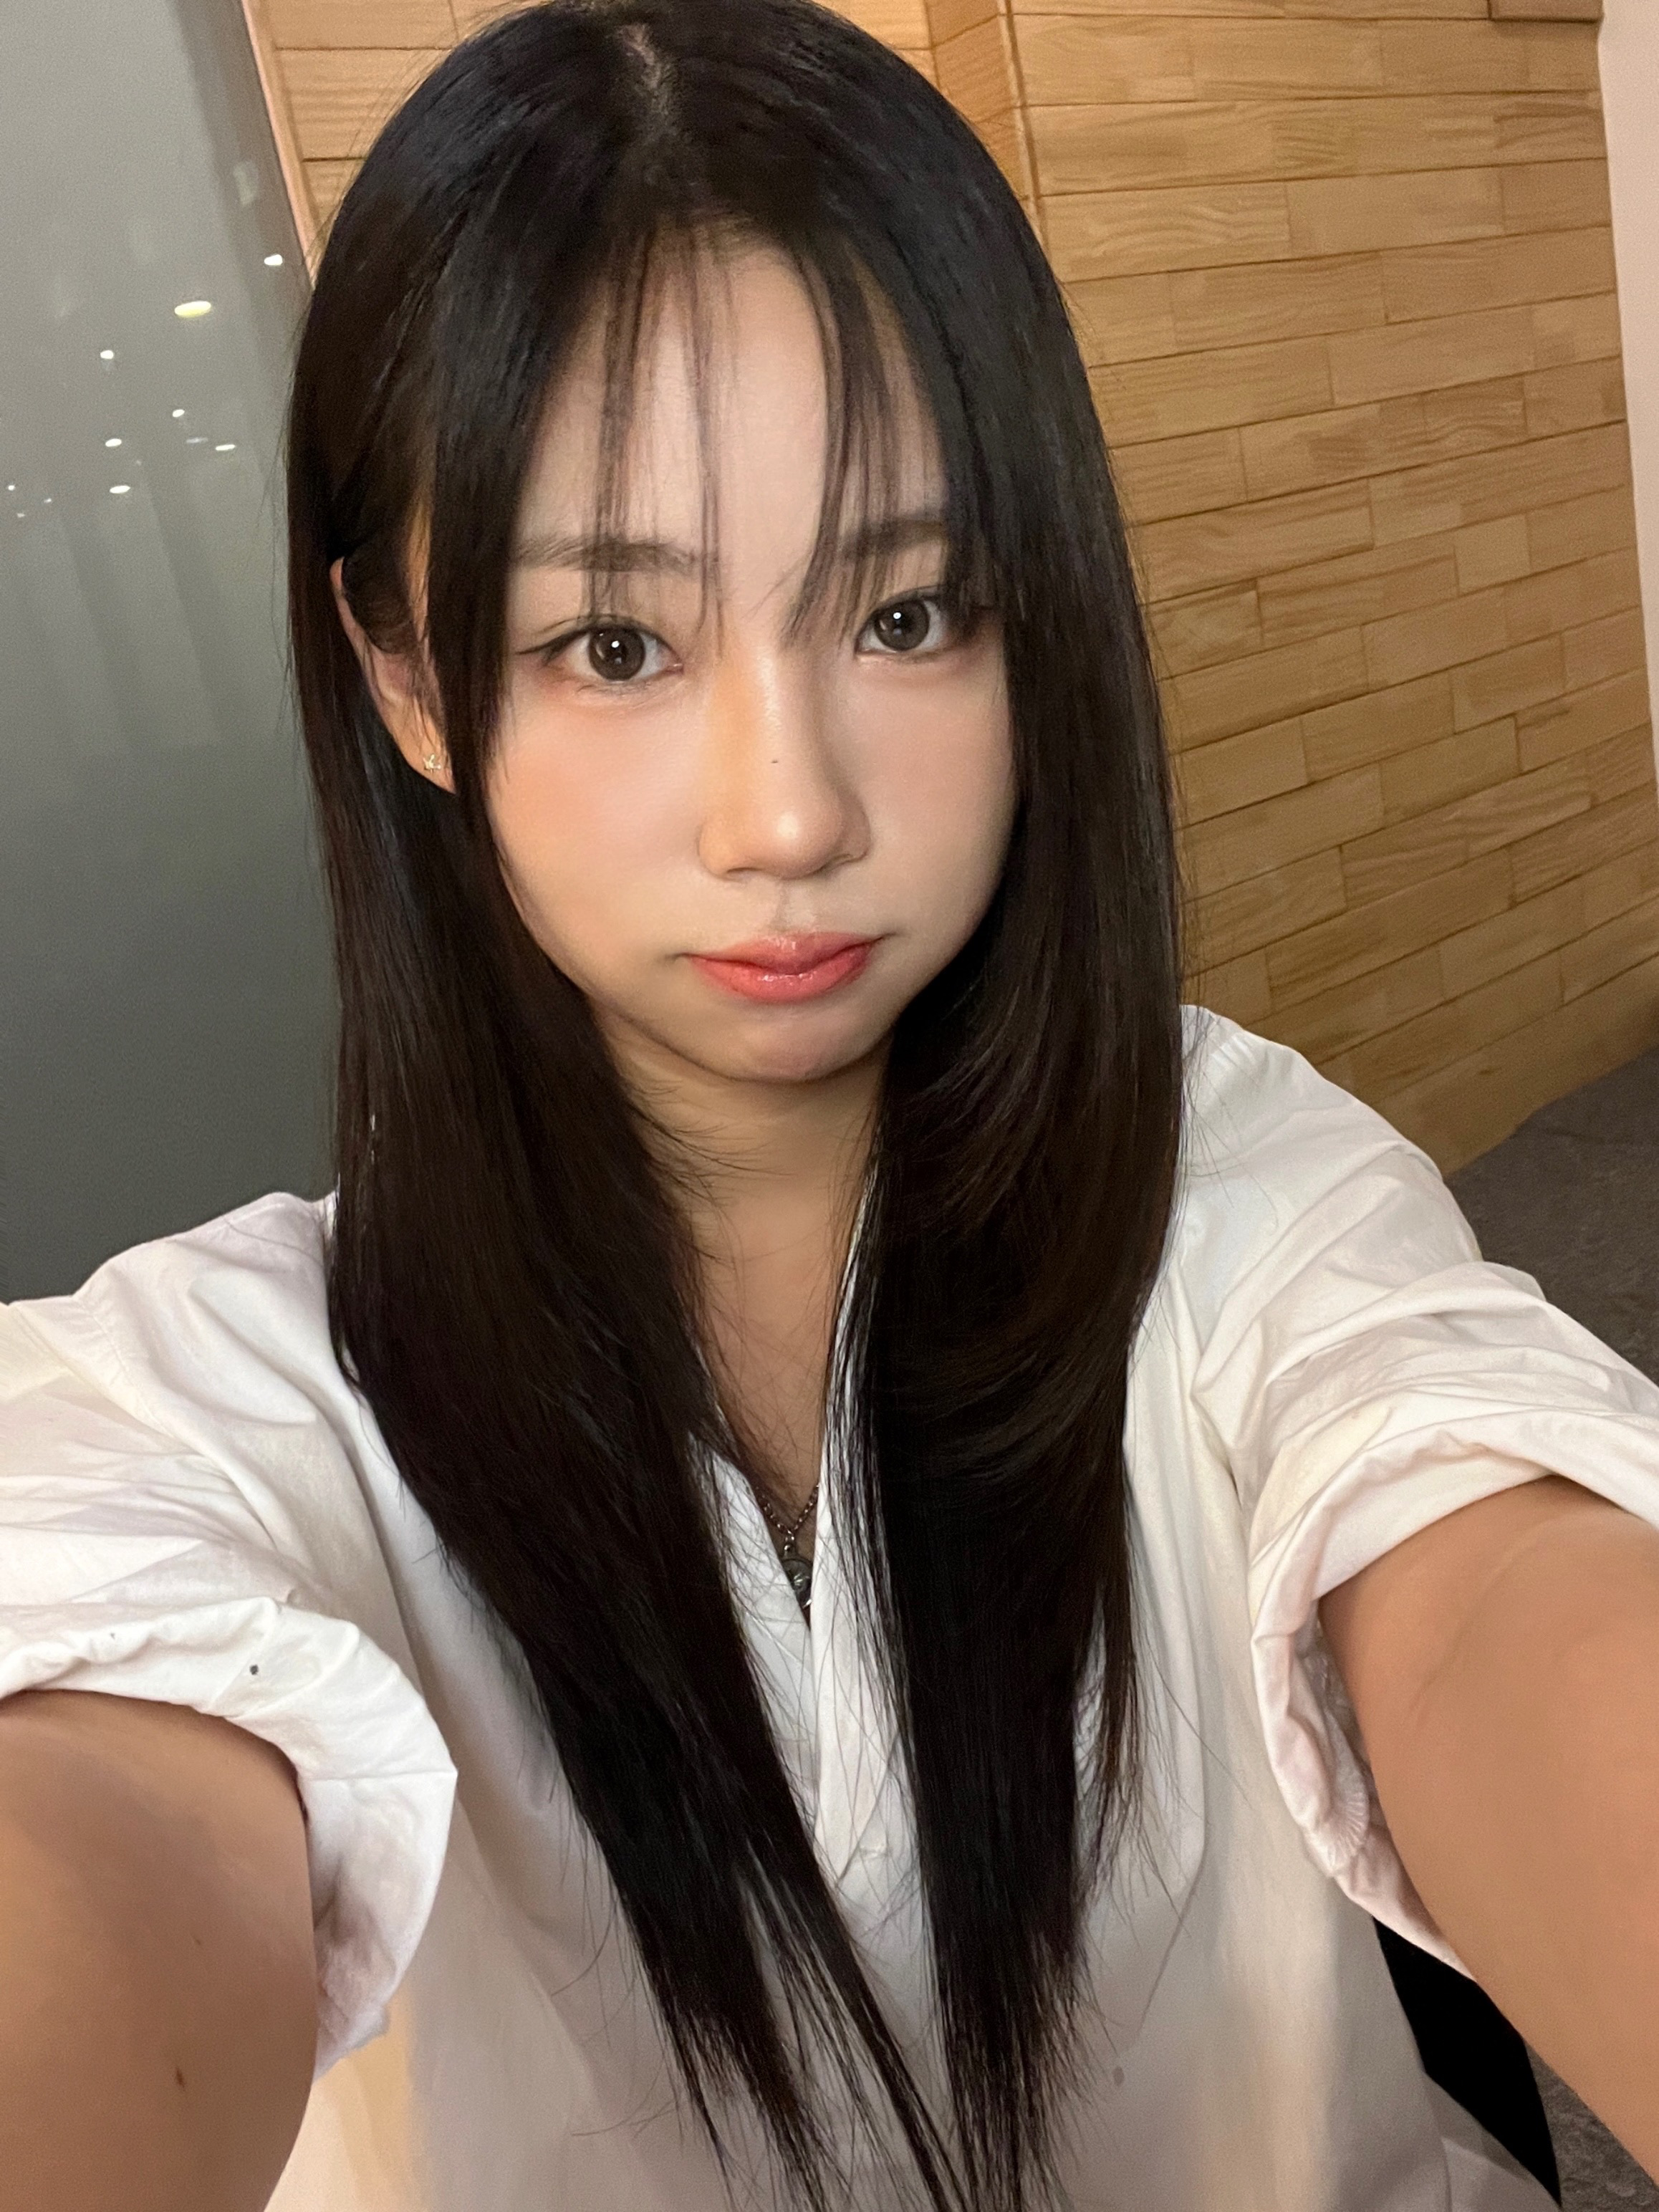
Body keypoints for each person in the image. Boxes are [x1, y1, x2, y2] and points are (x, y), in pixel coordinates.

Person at [1, 2, 1657, 2206]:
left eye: (907, 611)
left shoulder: (1234, 1193)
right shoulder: (217, 1405)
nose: (786, 815)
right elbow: (94, 1818)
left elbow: (1485, 1585)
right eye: (612, 644)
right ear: (404, 674)